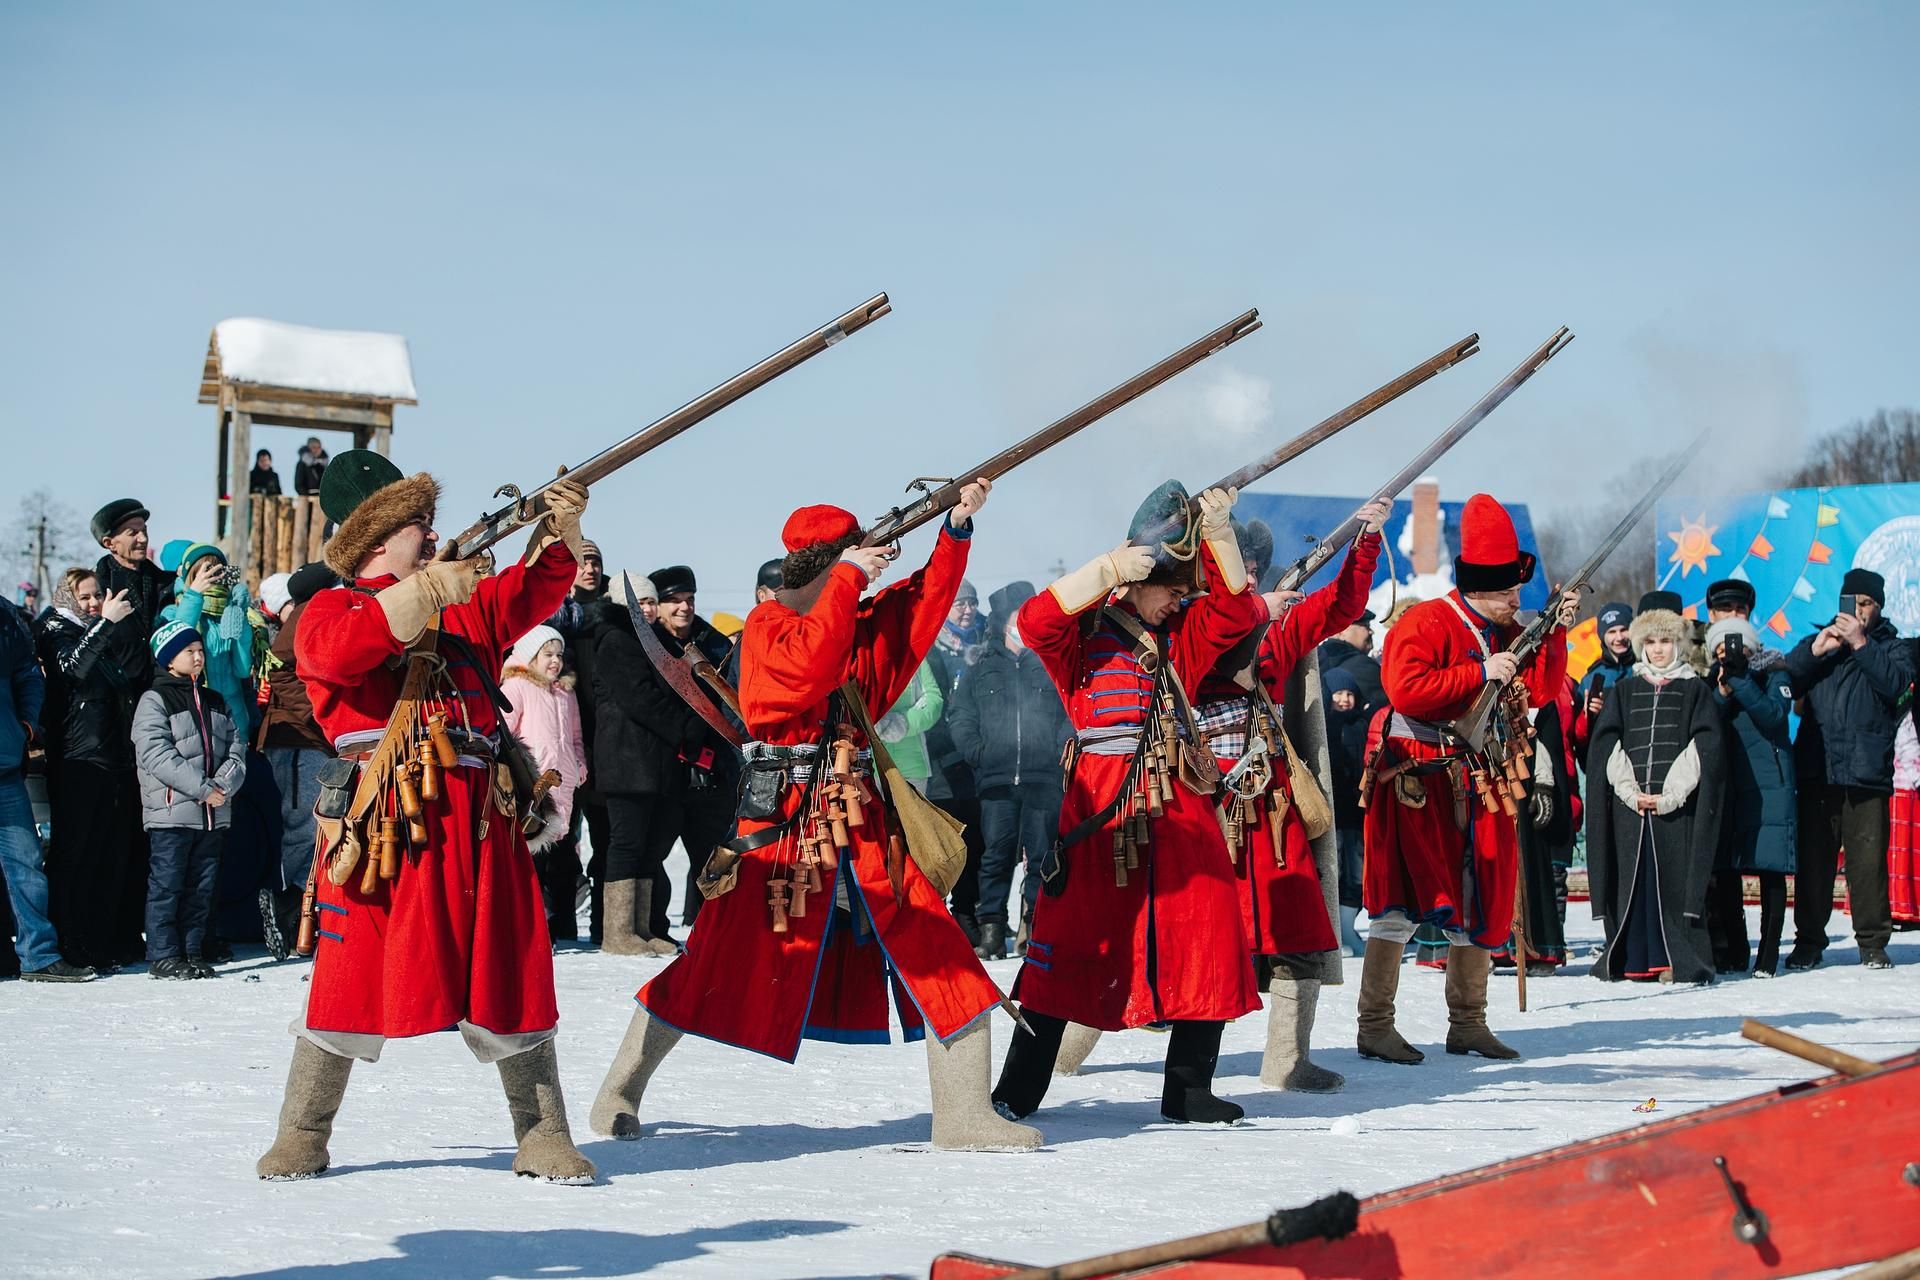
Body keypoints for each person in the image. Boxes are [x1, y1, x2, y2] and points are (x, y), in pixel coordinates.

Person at [590, 480, 1042, 1153]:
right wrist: (850, 576)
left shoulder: (849, 621)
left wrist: (953, 532)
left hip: (857, 818)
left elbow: (919, 609)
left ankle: (963, 1113)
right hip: (780, 825)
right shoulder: (771, 628)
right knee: (707, 968)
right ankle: (619, 1088)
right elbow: (804, 670)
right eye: (845, 567)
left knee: (942, 954)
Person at [256, 449, 594, 1183]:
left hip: (478, 814)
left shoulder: (457, 601)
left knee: (511, 973)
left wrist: (557, 537)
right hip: (386, 821)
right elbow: (342, 651)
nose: (433, 537)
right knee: (347, 983)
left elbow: (525, 597)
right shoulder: (332, 606)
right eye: (418, 525)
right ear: (377, 536)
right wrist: (427, 591)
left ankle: (542, 1134)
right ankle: (303, 1133)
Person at [991, 482, 1265, 1127]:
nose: (1179, 600)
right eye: (1171, 588)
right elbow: (1035, 622)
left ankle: (1189, 1088)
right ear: (1138, 583)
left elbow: (1241, 614)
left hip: (1177, 803)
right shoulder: (1081, 638)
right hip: (1101, 803)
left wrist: (1220, 533)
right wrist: (1108, 567)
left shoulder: (1183, 637)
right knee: (1066, 944)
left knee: (1209, 932)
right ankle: (1018, 1090)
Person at [1358, 494, 1578, 1065]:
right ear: (1478, 588)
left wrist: (1553, 631)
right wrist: (1479, 670)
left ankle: (1468, 1024)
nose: (1516, 600)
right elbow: (1405, 689)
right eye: (1508, 592)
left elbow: (1549, 690)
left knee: (1481, 895)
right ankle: (1374, 1026)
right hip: (1417, 776)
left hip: (1477, 776)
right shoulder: (1427, 621)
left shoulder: (1510, 628)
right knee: (1400, 902)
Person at [1196, 503, 1386, 1095]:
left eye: (1253, 566)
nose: (1248, 574)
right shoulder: (1189, 620)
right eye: (1237, 566)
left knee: (1298, 923)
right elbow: (1208, 658)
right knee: (1163, 926)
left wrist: (1364, 542)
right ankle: (1071, 1046)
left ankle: (1286, 1059)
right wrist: (1253, 609)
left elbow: (1342, 607)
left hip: (1271, 799)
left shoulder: (1281, 623)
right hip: (1197, 793)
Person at [586, 565, 739, 951]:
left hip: (652, 761)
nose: (651, 610)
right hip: (626, 760)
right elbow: (644, 701)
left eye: (653, 602)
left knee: (648, 847)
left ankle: (644, 929)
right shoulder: (617, 640)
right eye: (643, 602)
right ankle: (619, 932)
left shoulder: (650, 641)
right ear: (624, 604)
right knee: (625, 844)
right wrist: (689, 725)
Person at [1585, 605, 1725, 984]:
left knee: (1674, 884)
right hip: (1630, 810)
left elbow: (1705, 747)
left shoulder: (1694, 689)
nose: (1659, 649)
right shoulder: (1624, 689)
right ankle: (1634, 957)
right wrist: (1630, 792)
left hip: (1675, 810)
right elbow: (1606, 746)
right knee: (1633, 881)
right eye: (1651, 641)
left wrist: (1670, 795)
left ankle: (1676, 959)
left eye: (1665, 640)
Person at [1784, 568, 1914, 970]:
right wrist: (1815, 652)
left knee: (1868, 864)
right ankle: (1808, 941)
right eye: (1852, 603)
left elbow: (1897, 687)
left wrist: (1861, 644)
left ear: (1879, 608)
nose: (1858, 611)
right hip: (1818, 768)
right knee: (1814, 862)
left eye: (1867, 604)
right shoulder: (1822, 642)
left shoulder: (1895, 648)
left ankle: (1873, 943)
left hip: (1866, 772)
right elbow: (1785, 680)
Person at [946, 581, 1072, 960]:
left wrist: (1058, 750)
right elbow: (961, 715)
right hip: (996, 779)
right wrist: (976, 752)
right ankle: (992, 930)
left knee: (1040, 856)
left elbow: (1068, 713)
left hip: (1042, 778)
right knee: (995, 856)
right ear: (1003, 621)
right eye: (1019, 616)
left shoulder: (1049, 663)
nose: (1024, 623)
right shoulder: (982, 668)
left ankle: (1035, 928)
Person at [36, 568, 142, 971]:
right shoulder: (55, 627)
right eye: (85, 597)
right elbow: (70, 671)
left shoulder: (97, 632)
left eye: (98, 595)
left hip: (109, 756)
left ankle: (99, 941)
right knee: (74, 856)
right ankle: (66, 939)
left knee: (105, 854)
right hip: (77, 759)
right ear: (68, 598)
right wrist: (103, 624)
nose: (94, 603)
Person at [133, 623, 247, 980]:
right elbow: (155, 753)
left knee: (202, 885)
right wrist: (201, 788)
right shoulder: (155, 699)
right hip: (172, 812)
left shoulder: (215, 700)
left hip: (213, 812)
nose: (198, 657)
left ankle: (193, 949)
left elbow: (237, 747)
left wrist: (224, 785)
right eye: (189, 652)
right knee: (168, 883)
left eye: (200, 650)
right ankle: (164, 954)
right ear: (169, 660)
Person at [1701, 580, 1797, 977]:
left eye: (1739, 610)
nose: (1732, 618)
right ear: (1711, 617)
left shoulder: (1773, 666)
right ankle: (1735, 951)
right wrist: (1722, 687)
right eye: (1724, 611)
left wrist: (1739, 679)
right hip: (1726, 783)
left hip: (1767, 781)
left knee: (1770, 866)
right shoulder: (1706, 673)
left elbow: (1775, 717)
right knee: (1726, 870)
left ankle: (1769, 956)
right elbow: (1704, 725)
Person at [4, 593, 91, 982]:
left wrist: (24, 724)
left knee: (26, 864)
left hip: (5, 766)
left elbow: (26, 672)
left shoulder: (5, 614)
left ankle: (38, 956)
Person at [255, 562, 339, 958]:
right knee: (303, 827)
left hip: (314, 739)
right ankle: (291, 908)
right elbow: (282, 673)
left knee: (319, 827)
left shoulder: (326, 608)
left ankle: (312, 910)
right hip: (297, 739)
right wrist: (323, 712)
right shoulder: (310, 613)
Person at [502, 624, 589, 942]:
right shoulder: (517, 687)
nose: (555, 661)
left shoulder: (565, 691)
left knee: (564, 858)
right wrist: (520, 775)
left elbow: (576, 736)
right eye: (547, 654)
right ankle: (534, 930)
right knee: (534, 858)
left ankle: (564, 924)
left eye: (559, 655)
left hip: (564, 783)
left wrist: (579, 762)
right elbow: (505, 734)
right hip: (534, 785)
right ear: (530, 656)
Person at [544, 538, 607, 945]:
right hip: (558, 742)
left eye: (595, 562)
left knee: (603, 837)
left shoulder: (611, 617)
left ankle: (603, 924)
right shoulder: (552, 618)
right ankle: (560, 921)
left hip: (599, 745)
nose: (589, 569)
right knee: (558, 839)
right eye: (582, 562)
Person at [929, 580, 990, 945]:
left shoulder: (986, 641)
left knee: (982, 839)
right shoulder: (932, 644)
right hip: (942, 754)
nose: (967, 610)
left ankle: (971, 909)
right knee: (948, 840)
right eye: (959, 604)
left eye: (971, 602)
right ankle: (950, 912)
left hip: (980, 754)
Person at [1323, 667, 1370, 956]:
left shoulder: (1361, 724)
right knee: (1333, 869)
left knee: (1355, 870)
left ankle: (1348, 929)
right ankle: (1333, 933)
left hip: (1356, 811)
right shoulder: (1323, 727)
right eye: (1338, 693)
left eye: (1349, 694)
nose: (1343, 699)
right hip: (1331, 812)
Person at [1571, 601, 1635, 765]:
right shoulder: (1591, 678)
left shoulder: (1642, 668)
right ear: (1602, 635)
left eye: (1623, 630)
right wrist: (1590, 716)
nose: (1619, 637)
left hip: (1637, 753)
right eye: (1612, 632)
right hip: (1604, 758)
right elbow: (1578, 736)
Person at [875, 660, 943, 791]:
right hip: (868, 770)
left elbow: (934, 700)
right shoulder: (858, 653)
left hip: (912, 769)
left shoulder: (916, 654)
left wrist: (904, 723)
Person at [1318, 609, 1384, 713]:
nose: (1371, 632)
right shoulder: (1362, 665)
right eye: (1365, 626)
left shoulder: (1318, 663)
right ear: (1341, 631)